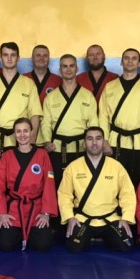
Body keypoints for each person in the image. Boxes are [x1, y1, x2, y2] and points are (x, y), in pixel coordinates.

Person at [57, 127, 136, 253]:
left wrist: (126, 218)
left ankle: (102, 237)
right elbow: (64, 195)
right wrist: (70, 217)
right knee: (74, 246)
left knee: (126, 245)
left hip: (110, 218)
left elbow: (128, 194)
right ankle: (91, 236)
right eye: (90, 139)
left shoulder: (116, 167)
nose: (94, 143)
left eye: (98, 139)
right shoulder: (73, 167)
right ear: (84, 143)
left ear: (104, 142)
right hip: (83, 218)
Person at [0, 41, 43, 189]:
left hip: (20, 140)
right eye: (6, 55)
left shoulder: (28, 84)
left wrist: (32, 136)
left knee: (18, 180)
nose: (9, 58)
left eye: (13, 55)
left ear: (18, 58)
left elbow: (35, 114)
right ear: (0, 58)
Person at [99, 48, 140, 187]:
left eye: (134, 58)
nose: (130, 61)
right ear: (121, 62)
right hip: (115, 141)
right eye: (126, 58)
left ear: (139, 63)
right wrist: (104, 141)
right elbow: (103, 115)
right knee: (115, 181)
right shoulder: (110, 86)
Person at [0, 118, 57, 251]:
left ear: (32, 132)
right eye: (18, 131)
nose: (22, 135)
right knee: (5, 244)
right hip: (14, 209)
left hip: (36, 208)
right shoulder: (7, 156)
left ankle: (29, 233)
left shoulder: (42, 155)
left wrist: (46, 213)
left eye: (25, 131)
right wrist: (2, 213)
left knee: (42, 245)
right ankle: (20, 232)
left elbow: (49, 185)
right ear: (14, 134)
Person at [38, 54, 99, 188]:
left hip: (81, 147)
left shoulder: (87, 96)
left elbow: (93, 123)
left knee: (81, 185)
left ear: (77, 69)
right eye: (64, 66)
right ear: (60, 70)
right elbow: (46, 123)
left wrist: (91, 143)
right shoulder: (51, 97)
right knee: (57, 184)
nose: (68, 69)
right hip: (57, 148)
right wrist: (47, 141)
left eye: (71, 66)